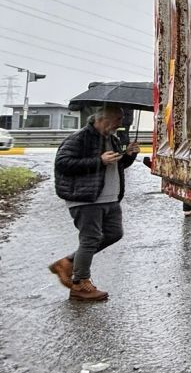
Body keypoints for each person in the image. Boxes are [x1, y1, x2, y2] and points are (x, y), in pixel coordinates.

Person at [48, 105, 138, 302]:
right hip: (86, 199)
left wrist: (129, 155)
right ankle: (80, 284)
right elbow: (63, 163)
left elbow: (116, 165)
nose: (120, 124)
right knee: (90, 239)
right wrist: (99, 160)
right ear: (103, 119)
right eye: (117, 119)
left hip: (110, 198)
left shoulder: (111, 139)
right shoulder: (79, 138)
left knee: (114, 233)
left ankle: (68, 262)